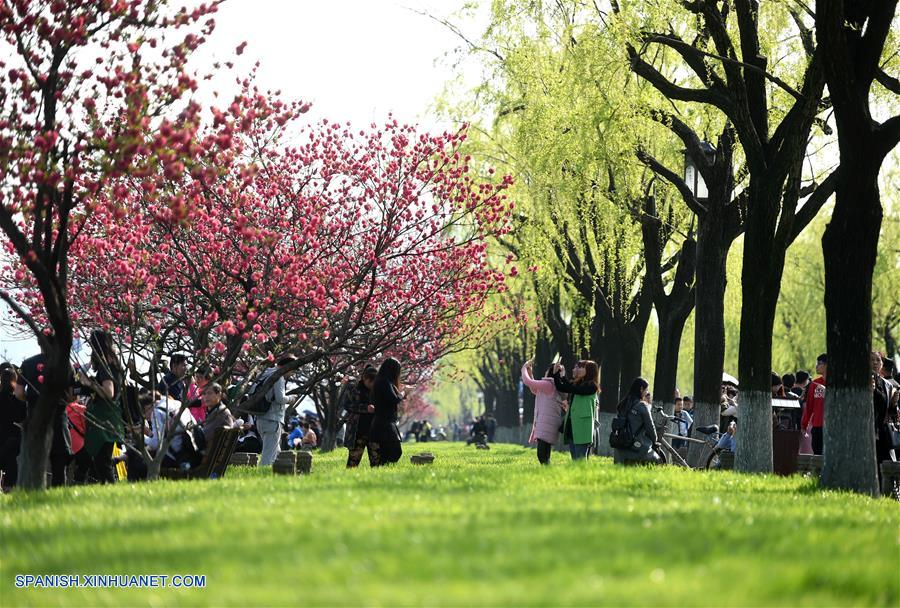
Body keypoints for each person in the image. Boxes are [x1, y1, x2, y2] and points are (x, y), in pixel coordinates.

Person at [74, 330, 124, 484]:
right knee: (102, 461)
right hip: (112, 416)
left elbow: (109, 392)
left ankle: (111, 491)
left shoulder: (105, 366)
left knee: (102, 462)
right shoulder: (114, 365)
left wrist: (88, 382)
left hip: (104, 418)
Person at [521, 359, 567, 465]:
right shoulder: (554, 385)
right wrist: (530, 372)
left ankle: (548, 472)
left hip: (546, 422)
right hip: (550, 422)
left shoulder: (548, 384)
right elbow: (535, 388)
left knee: (542, 454)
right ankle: (547, 472)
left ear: (549, 372)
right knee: (545, 453)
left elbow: (528, 382)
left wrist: (523, 368)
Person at [552, 360, 599, 461]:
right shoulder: (579, 383)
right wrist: (556, 374)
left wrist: (563, 376)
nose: (578, 370)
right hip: (573, 426)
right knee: (575, 460)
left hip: (582, 428)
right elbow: (562, 387)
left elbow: (572, 388)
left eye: (581, 367)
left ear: (589, 371)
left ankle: (585, 477)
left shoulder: (592, 386)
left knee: (580, 460)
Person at [256, 356, 296, 467]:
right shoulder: (278, 376)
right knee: (268, 456)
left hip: (261, 418)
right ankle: (262, 477)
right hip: (272, 418)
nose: (291, 374)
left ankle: (282, 472)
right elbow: (280, 398)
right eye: (292, 371)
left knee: (276, 452)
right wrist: (291, 399)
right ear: (287, 367)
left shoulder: (265, 373)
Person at [613, 377, 660, 465]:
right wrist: (655, 440)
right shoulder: (642, 406)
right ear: (641, 389)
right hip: (635, 447)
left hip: (619, 446)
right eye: (646, 390)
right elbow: (650, 427)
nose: (646, 393)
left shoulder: (623, 403)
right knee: (657, 460)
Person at [369, 358, 404, 466]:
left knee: (388, 452)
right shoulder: (384, 382)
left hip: (383, 422)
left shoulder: (381, 382)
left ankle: (384, 469)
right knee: (394, 451)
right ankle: (384, 469)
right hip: (384, 423)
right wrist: (402, 393)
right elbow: (394, 399)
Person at [0, 366, 26, 488]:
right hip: (11, 440)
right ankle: (9, 489)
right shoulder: (16, 400)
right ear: (13, 381)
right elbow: (22, 418)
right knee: (11, 465)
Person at [872, 352, 898, 470]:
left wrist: (893, 404)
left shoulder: (887, 384)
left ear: (882, 364)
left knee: (888, 465)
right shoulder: (861, 382)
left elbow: (889, 412)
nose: (875, 363)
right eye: (872, 360)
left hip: (883, 431)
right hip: (869, 430)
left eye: (878, 360)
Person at [801, 354, 827, 455]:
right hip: (817, 425)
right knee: (817, 453)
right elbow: (809, 406)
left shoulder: (837, 384)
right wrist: (804, 424)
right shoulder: (814, 384)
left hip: (832, 426)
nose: (816, 366)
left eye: (819, 363)